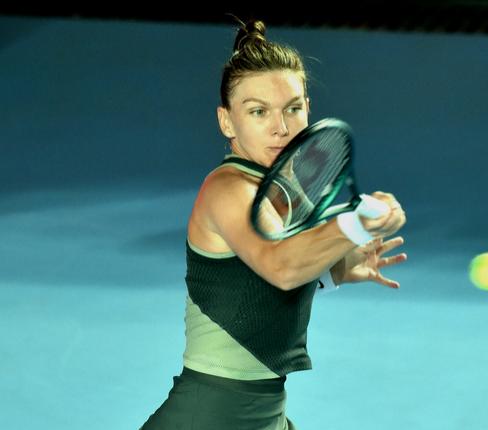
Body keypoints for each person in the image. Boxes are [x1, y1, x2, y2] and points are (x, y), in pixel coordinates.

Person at [140, 18, 407, 430]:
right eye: (258, 111)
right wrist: (354, 225)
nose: (281, 127)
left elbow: (258, 282)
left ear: (308, 109)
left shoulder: (288, 190)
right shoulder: (228, 189)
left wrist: (333, 271)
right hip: (211, 415)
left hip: (262, 412)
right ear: (227, 121)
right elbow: (281, 267)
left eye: (293, 109)